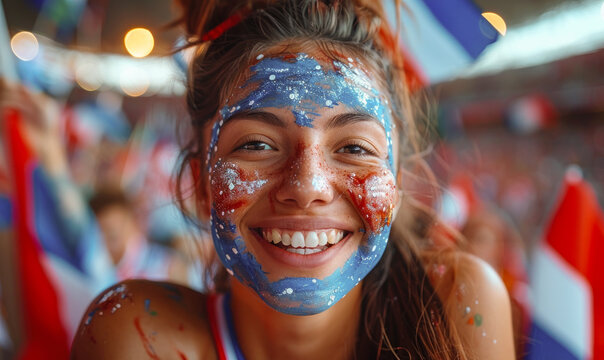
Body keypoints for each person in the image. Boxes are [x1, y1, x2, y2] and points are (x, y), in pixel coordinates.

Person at [71, 0, 515, 359]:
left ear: (395, 184)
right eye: (258, 145)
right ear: (200, 184)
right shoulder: (136, 338)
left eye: (354, 149)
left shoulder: (456, 308)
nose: (307, 187)